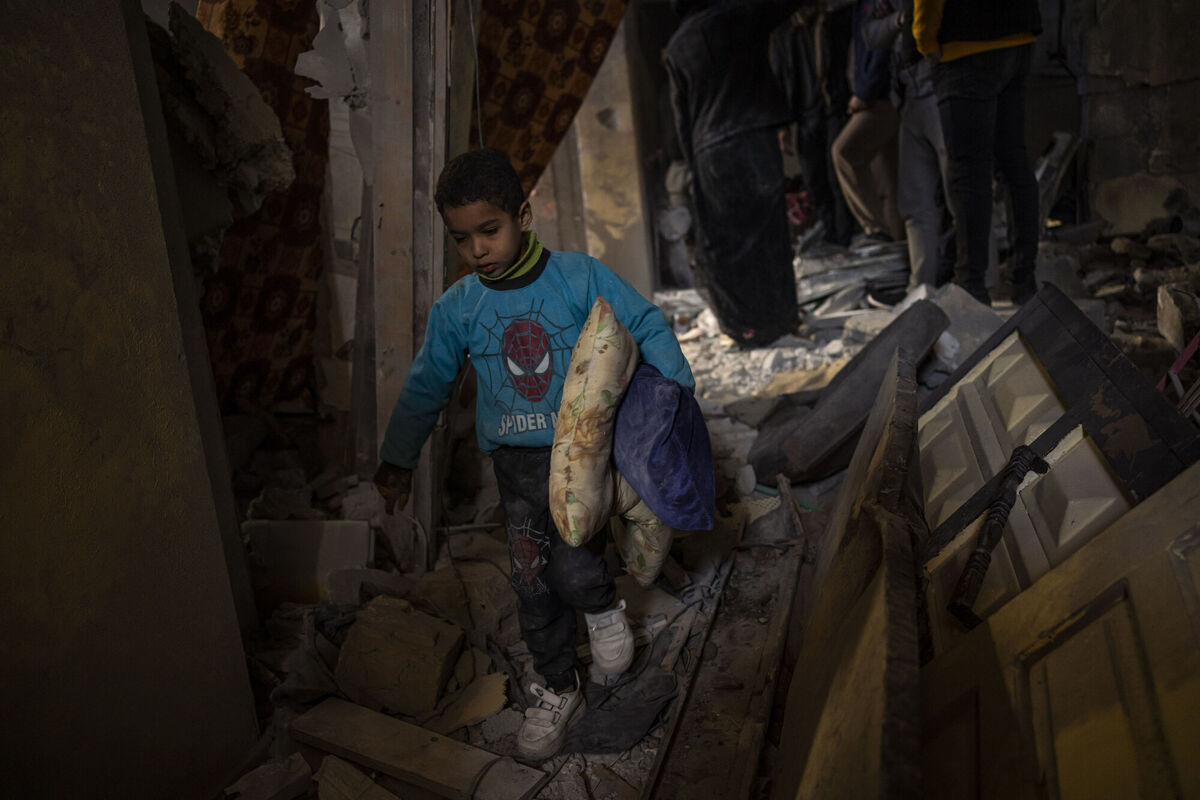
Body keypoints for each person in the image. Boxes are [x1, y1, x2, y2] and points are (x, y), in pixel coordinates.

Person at [372, 149, 695, 760]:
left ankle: (602, 610)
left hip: (583, 458)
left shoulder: (579, 277)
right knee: (531, 582)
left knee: (576, 566)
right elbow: (425, 386)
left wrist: (679, 398)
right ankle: (556, 685)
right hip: (516, 472)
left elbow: (646, 324)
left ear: (523, 215)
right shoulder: (459, 307)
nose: (477, 250)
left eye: (489, 230)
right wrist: (397, 459)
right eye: (461, 238)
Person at [664, 0, 801, 347]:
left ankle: (745, 326)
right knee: (769, 234)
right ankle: (782, 320)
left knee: (728, 243)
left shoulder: (677, 47)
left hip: (709, 149)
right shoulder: (738, 14)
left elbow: (681, 117)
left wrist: (693, 162)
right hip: (754, 134)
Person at [914, 0, 1041, 304]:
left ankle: (971, 286)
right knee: (1013, 162)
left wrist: (925, 41)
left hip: (966, 45)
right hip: (1018, 34)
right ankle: (1024, 280)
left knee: (970, 174)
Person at [864, 0, 954, 287]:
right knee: (915, 202)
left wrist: (904, 20)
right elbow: (870, 35)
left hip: (946, 89)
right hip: (910, 98)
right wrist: (899, 20)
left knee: (963, 197)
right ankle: (921, 287)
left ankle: (980, 286)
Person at [831, 0, 904, 247]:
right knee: (889, 179)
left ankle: (876, 230)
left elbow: (882, 46)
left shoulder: (872, 4)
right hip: (883, 94)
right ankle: (897, 244)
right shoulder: (860, 5)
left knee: (844, 152)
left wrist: (865, 92)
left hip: (882, 96)